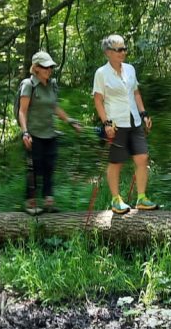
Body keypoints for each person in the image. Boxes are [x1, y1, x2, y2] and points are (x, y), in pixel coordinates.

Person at [93, 35, 158, 214]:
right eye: (119, 49)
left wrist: (144, 113)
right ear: (108, 52)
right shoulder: (101, 73)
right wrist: (105, 122)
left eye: (124, 48)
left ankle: (142, 198)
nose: (123, 52)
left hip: (134, 120)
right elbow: (98, 100)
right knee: (116, 162)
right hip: (115, 123)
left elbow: (136, 93)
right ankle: (116, 200)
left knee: (142, 157)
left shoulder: (130, 69)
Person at [18, 50, 83, 214]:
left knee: (49, 167)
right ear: (36, 68)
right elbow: (22, 111)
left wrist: (70, 121)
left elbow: (54, 107)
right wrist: (25, 132)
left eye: (50, 67)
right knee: (34, 168)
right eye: (45, 67)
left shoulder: (52, 84)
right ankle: (30, 203)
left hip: (50, 133)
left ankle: (48, 201)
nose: (49, 70)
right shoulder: (28, 85)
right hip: (33, 134)